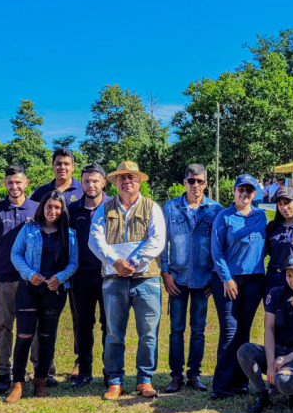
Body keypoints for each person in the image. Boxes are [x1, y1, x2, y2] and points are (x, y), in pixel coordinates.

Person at [88, 161, 166, 400]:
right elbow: (95, 240)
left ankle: (145, 379)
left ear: (139, 180)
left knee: (148, 333)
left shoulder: (152, 207)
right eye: (122, 177)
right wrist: (116, 263)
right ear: (115, 182)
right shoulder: (104, 208)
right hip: (113, 278)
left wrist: (134, 262)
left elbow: (158, 239)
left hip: (147, 278)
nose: (127, 181)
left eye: (131, 177)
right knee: (113, 332)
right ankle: (114, 381)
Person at [6, 190, 78, 402]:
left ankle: (40, 381)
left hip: (54, 291)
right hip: (28, 289)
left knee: (47, 338)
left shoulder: (69, 233)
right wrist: (29, 274)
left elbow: (73, 262)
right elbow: (15, 254)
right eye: (49, 206)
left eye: (57, 207)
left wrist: (60, 277)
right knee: (24, 336)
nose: (52, 211)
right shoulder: (29, 228)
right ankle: (17, 383)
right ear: (42, 207)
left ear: (62, 210)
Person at [161, 163, 221, 393]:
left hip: (203, 280)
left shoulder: (215, 210)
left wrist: (214, 277)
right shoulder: (170, 208)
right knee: (176, 329)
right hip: (176, 279)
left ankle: (194, 374)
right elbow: (161, 244)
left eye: (200, 181)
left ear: (206, 183)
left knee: (198, 329)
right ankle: (176, 375)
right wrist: (165, 273)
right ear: (184, 182)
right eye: (191, 181)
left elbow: (220, 245)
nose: (195, 185)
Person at [0, 165, 39, 395]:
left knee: (34, 328)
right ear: (5, 184)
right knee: (4, 327)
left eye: (18, 182)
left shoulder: (37, 208)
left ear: (26, 183)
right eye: (10, 182)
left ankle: (39, 371)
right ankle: (4, 373)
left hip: (31, 279)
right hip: (4, 278)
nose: (14, 187)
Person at [210, 174, 267, 400]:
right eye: (241, 189)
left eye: (249, 190)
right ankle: (221, 385)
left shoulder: (261, 216)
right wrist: (226, 278)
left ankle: (242, 382)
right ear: (233, 191)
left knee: (244, 331)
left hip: (254, 279)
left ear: (255, 193)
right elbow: (216, 250)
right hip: (227, 279)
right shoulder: (224, 217)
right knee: (229, 331)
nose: (245, 194)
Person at [238, 254, 293, 413]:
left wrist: (289, 357)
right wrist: (271, 364)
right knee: (245, 351)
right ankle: (262, 394)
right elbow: (269, 329)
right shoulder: (276, 294)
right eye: (289, 276)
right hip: (277, 352)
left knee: (284, 382)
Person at [67, 163, 110, 388]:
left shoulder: (114, 206)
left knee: (109, 324)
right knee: (83, 324)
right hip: (81, 276)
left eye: (95, 181)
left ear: (103, 182)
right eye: (86, 181)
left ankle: (110, 372)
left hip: (110, 275)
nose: (91, 185)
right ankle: (84, 370)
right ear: (80, 183)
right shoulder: (72, 210)